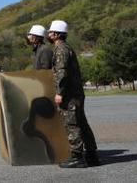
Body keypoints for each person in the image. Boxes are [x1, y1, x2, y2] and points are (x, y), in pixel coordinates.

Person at [48, 20, 100, 168]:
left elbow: (61, 72)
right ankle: (92, 155)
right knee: (82, 123)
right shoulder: (67, 48)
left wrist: (59, 92)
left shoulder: (60, 50)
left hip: (69, 95)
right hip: (76, 93)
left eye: (51, 32)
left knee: (72, 124)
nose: (49, 34)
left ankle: (77, 157)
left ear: (57, 34)